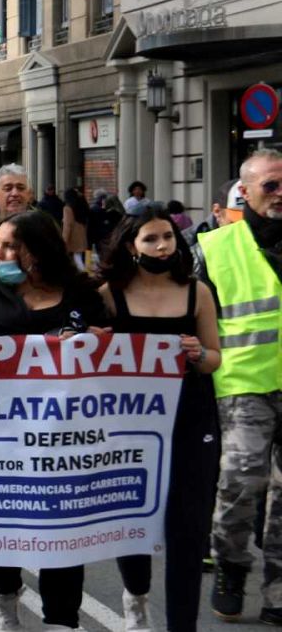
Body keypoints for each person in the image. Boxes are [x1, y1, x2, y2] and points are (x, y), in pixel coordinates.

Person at [0, 210, 109, 631]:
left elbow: (117, 347)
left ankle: (62, 619)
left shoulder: (80, 294)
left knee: (64, 535)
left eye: (11, 246)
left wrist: (99, 341)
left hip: (65, 444)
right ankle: (3, 597)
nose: (0, 253)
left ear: (38, 252)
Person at [98, 206, 220, 632]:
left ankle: (182, 626)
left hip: (191, 420)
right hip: (130, 427)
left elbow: (214, 358)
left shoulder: (197, 292)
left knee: (188, 531)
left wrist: (198, 355)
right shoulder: (109, 294)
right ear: (132, 245)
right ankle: (136, 596)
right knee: (131, 522)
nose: (163, 246)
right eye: (151, 238)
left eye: (168, 236)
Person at [202, 148, 282, 623]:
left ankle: (277, 591)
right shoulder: (215, 247)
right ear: (245, 191)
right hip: (243, 385)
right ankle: (231, 566)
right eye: (270, 185)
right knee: (240, 484)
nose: (279, 194)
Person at [61, 187, 92, 269]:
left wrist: (64, 240)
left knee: (76, 258)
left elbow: (67, 225)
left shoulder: (67, 208)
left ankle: (83, 273)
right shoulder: (81, 206)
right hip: (81, 235)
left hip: (72, 237)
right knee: (78, 256)